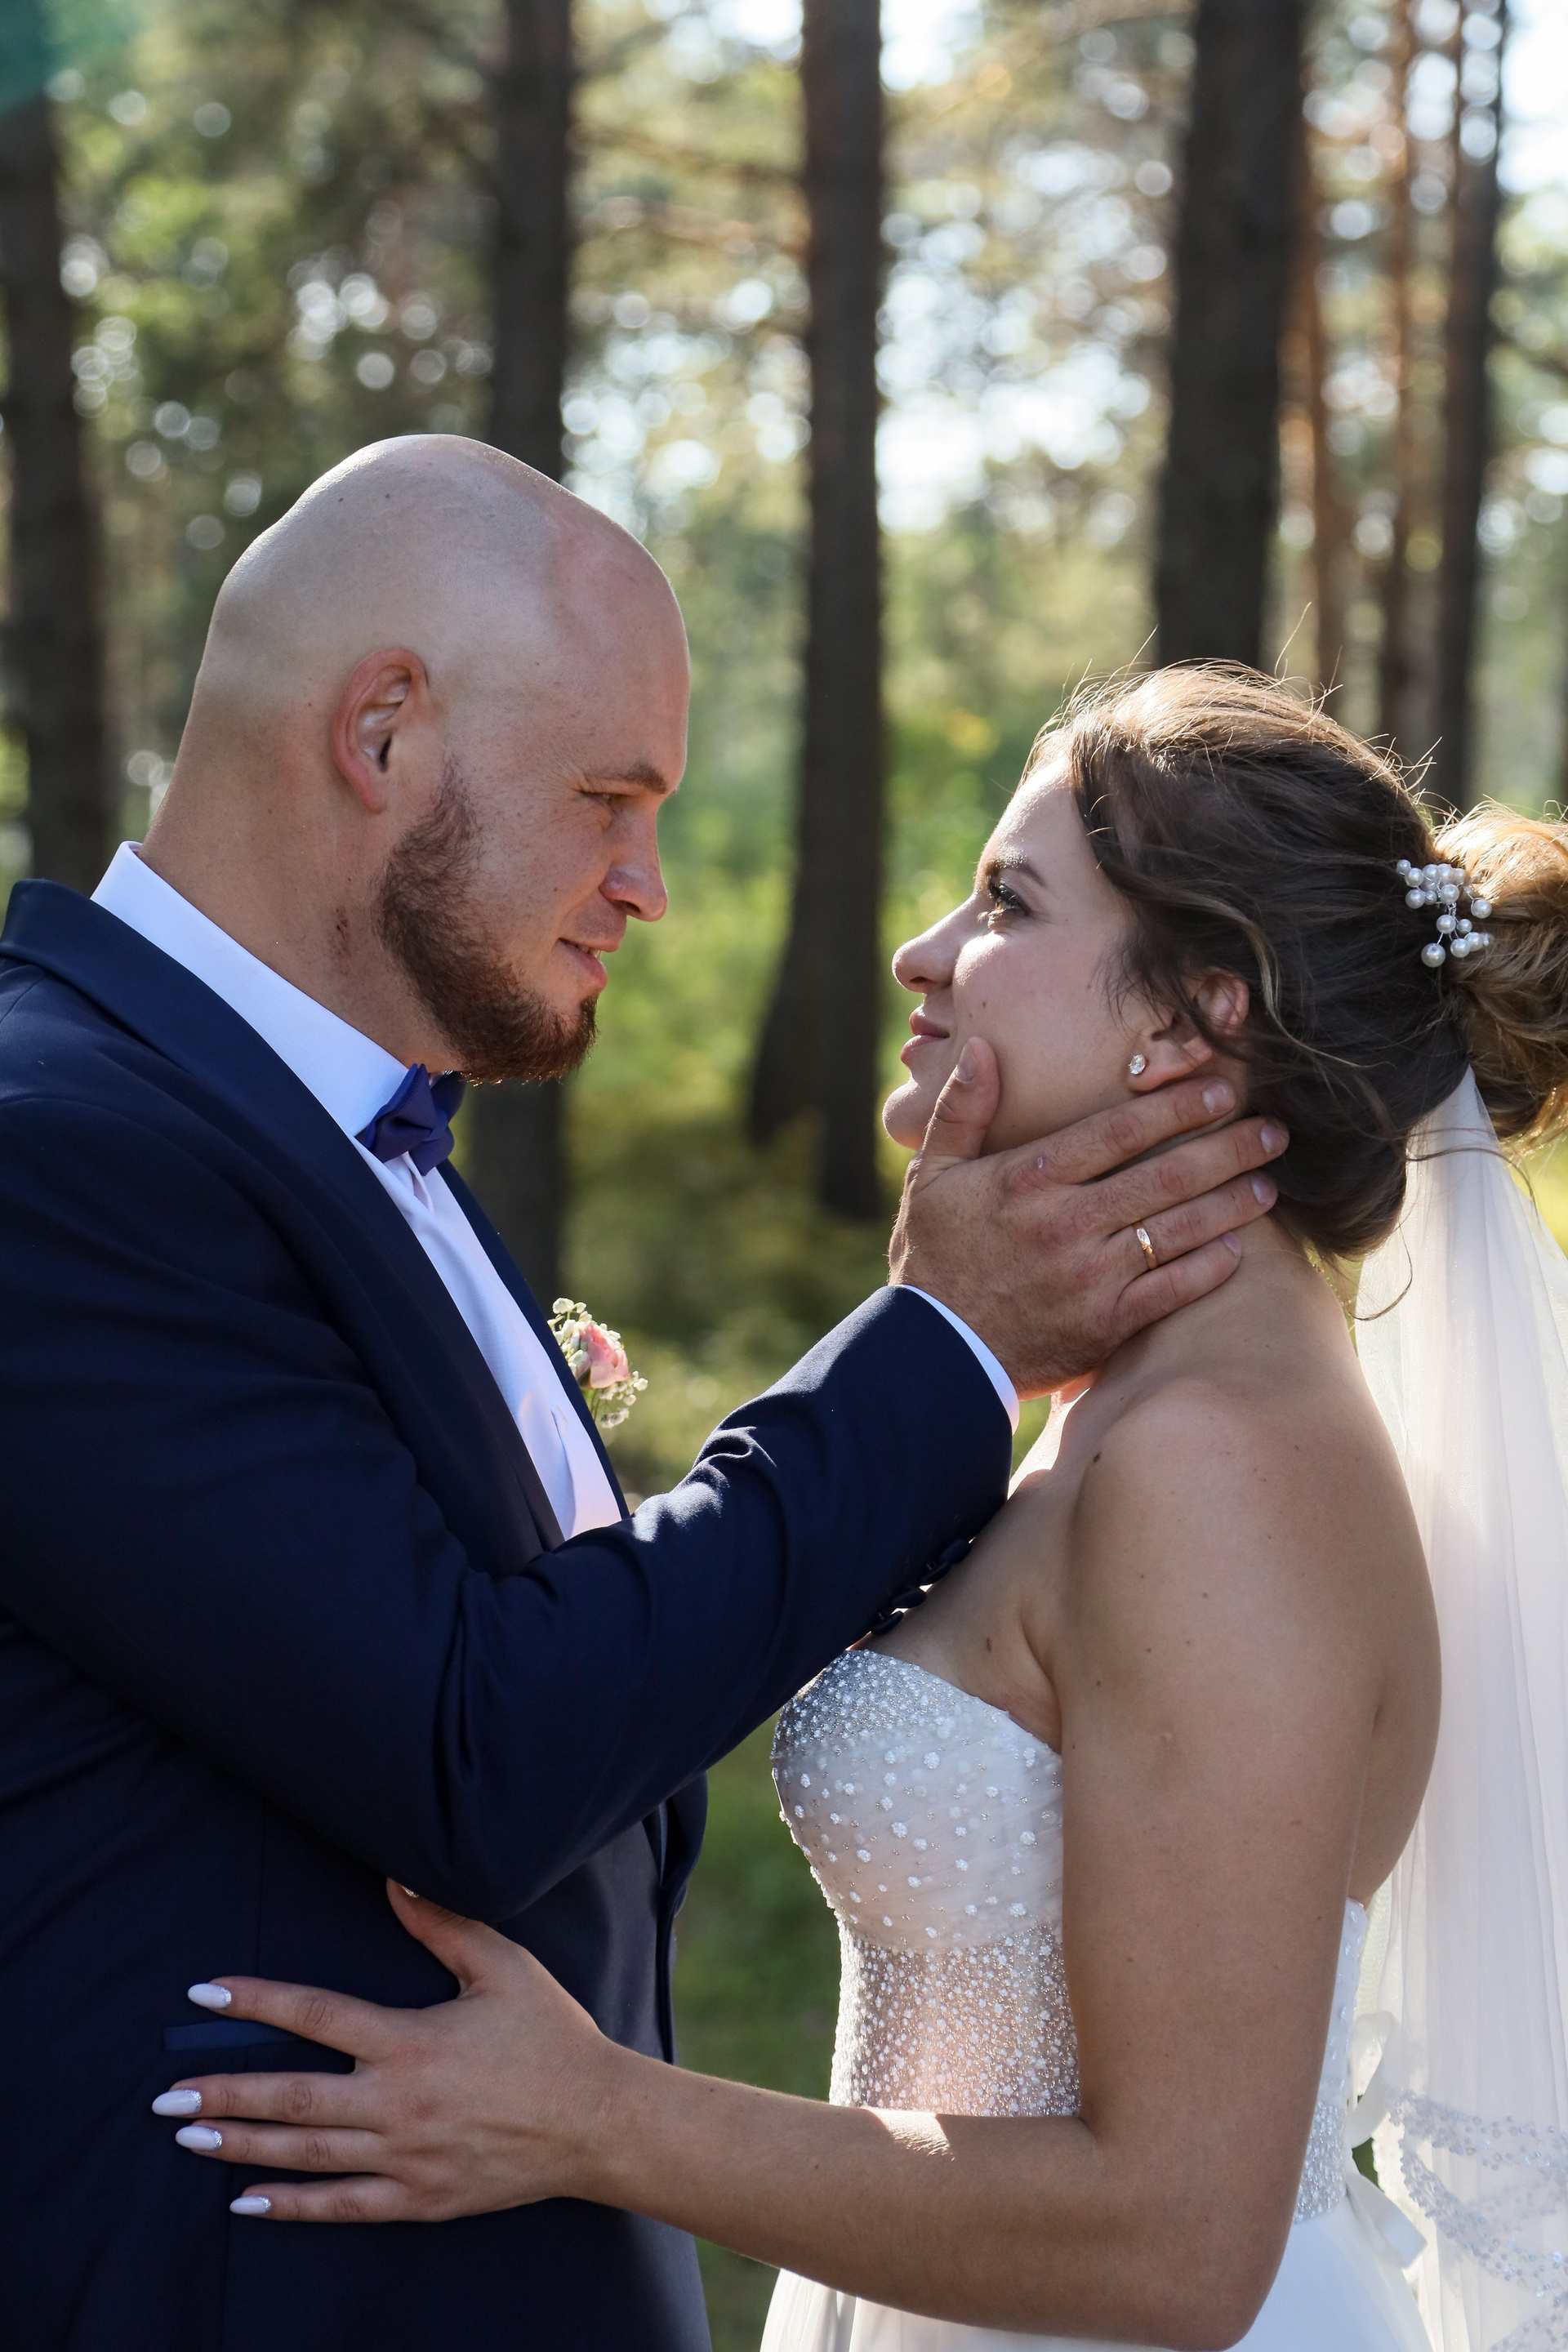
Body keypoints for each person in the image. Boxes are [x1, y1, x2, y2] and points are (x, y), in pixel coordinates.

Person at [0, 443, 1282, 2352]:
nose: (650, 887)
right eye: (609, 798)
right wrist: (945, 1342)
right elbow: (476, 1746)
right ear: (381, 733)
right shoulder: (53, 1152)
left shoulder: (335, 1139)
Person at [154, 667, 1568, 2352]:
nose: (922, 953)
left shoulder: (1219, 1467)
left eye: (1008, 903)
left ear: (1201, 1019)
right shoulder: (1123, 1414)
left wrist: (592, 2117)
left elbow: (1185, 2240)